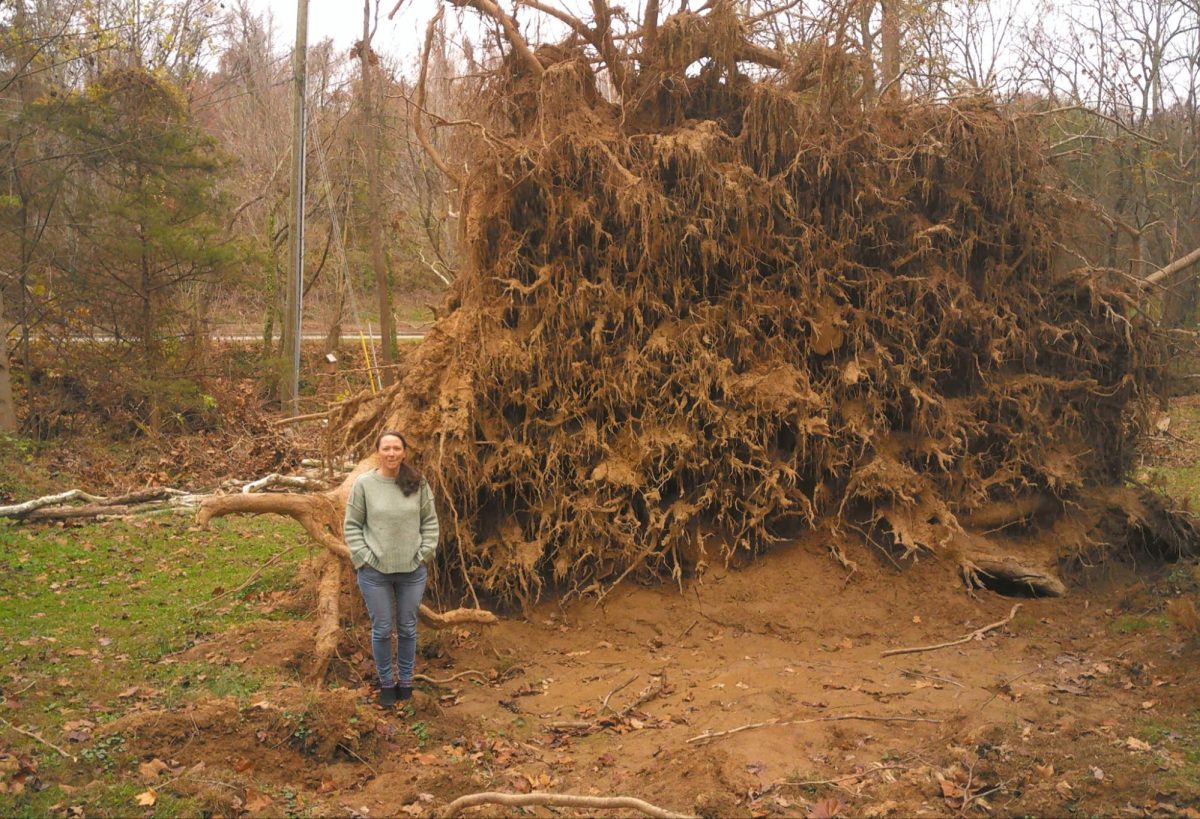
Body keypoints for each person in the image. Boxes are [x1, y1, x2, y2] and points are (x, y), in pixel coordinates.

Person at [343, 430, 439, 708]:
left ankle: (406, 681)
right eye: (386, 448)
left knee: (408, 628)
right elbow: (352, 525)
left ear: (404, 452)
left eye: (397, 448)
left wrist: (424, 555)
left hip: (412, 571)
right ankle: (386, 682)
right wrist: (364, 557)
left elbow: (430, 523)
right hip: (374, 573)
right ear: (378, 452)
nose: (392, 453)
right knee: (382, 628)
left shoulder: (417, 483)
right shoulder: (364, 484)